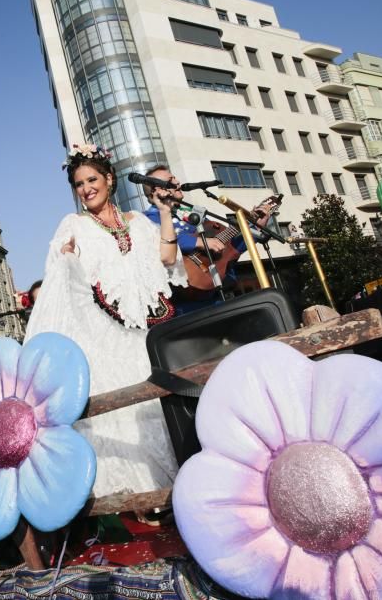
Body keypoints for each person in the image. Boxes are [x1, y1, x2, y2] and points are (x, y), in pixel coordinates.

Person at [25, 144, 185, 498]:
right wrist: (65, 261)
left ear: (110, 179)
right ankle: (146, 499)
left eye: (92, 179)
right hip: (108, 342)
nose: (86, 189)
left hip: (150, 336)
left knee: (162, 414)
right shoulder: (74, 225)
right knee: (126, 418)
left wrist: (164, 213)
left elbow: (167, 257)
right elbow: (60, 282)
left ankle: (177, 491)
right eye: (79, 184)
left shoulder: (139, 222)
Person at [140, 165, 277, 312]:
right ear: (157, 191)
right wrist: (200, 242)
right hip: (184, 307)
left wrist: (253, 229)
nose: (178, 181)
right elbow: (159, 243)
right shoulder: (148, 219)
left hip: (215, 295)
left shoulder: (192, 214)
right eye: (171, 179)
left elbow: (229, 251)